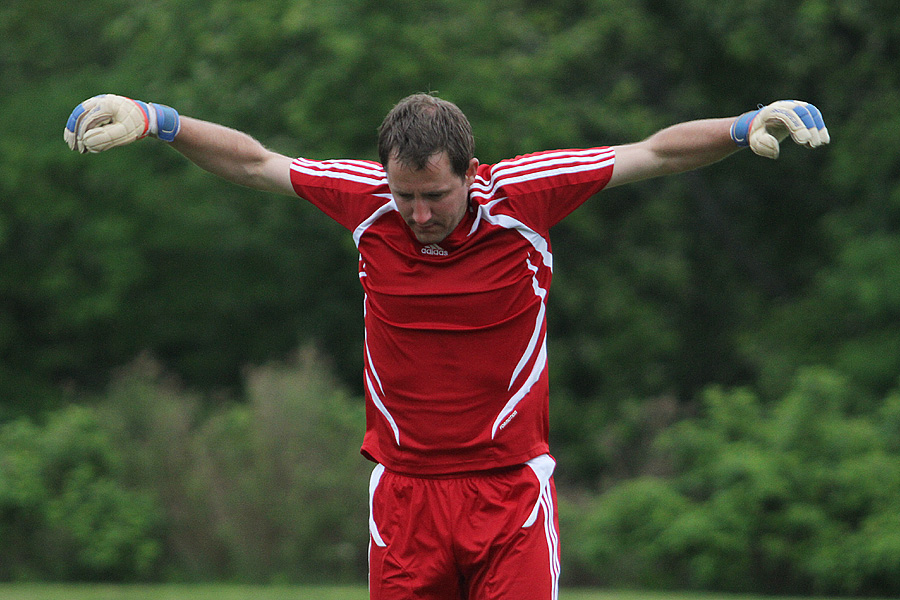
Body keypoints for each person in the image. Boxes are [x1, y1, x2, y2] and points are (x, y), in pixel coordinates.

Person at [64, 92, 829, 599]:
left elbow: (655, 153)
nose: (420, 213)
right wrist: (158, 120)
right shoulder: (366, 205)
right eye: (405, 195)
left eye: (436, 194)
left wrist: (743, 126)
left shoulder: (525, 198)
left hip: (509, 494)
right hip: (404, 496)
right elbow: (258, 161)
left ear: (471, 171)